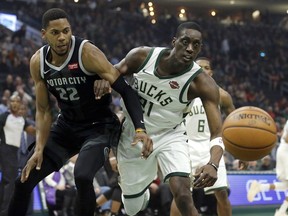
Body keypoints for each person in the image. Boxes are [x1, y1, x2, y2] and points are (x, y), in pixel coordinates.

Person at [8, 8, 152, 216]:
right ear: (43, 34)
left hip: (99, 127)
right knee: (23, 181)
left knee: (83, 176)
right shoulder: (38, 62)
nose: (62, 37)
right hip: (67, 125)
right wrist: (39, 148)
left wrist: (140, 128)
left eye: (66, 31)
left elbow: (126, 90)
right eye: (55, 32)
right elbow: (43, 110)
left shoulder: (86, 52)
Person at [113, 21, 224, 216]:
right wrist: (101, 82)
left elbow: (217, 133)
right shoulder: (142, 56)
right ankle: (141, 194)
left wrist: (213, 164)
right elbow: (112, 73)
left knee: (182, 194)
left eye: (196, 45)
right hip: (133, 133)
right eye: (185, 42)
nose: (190, 49)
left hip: (170, 135)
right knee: (132, 208)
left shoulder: (202, 83)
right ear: (174, 41)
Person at [170, 57, 235, 216]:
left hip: (211, 147)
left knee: (221, 194)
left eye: (206, 67)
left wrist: (242, 155)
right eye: (199, 67)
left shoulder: (222, 95)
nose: (203, 70)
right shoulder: (181, 92)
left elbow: (235, 125)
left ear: (211, 72)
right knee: (181, 194)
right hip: (185, 147)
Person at [0, 95, 35, 216]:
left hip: (14, 152)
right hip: (4, 149)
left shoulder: (22, 120)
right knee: (9, 182)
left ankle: (4, 210)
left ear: (21, 104)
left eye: (17, 101)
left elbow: (33, 130)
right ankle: (4, 212)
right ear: (9, 103)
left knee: (7, 182)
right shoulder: (4, 117)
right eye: (12, 101)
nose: (15, 103)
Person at [247, 119, 288, 216]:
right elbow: (287, 138)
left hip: (283, 151)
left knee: (286, 185)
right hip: (286, 152)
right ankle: (282, 211)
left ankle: (260, 187)